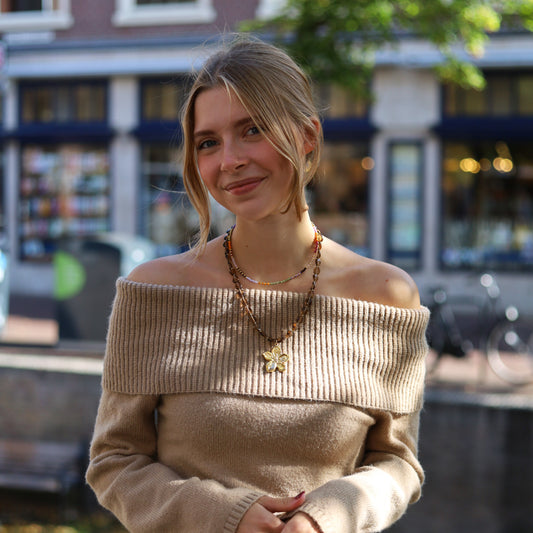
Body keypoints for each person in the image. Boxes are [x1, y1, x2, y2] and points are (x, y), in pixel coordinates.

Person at [86, 36, 430, 533]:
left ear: (307, 135)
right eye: (208, 142)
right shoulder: (155, 292)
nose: (229, 160)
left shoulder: (386, 296)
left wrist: (324, 517)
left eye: (252, 130)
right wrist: (223, 515)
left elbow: (398, 465)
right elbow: (114, 461)